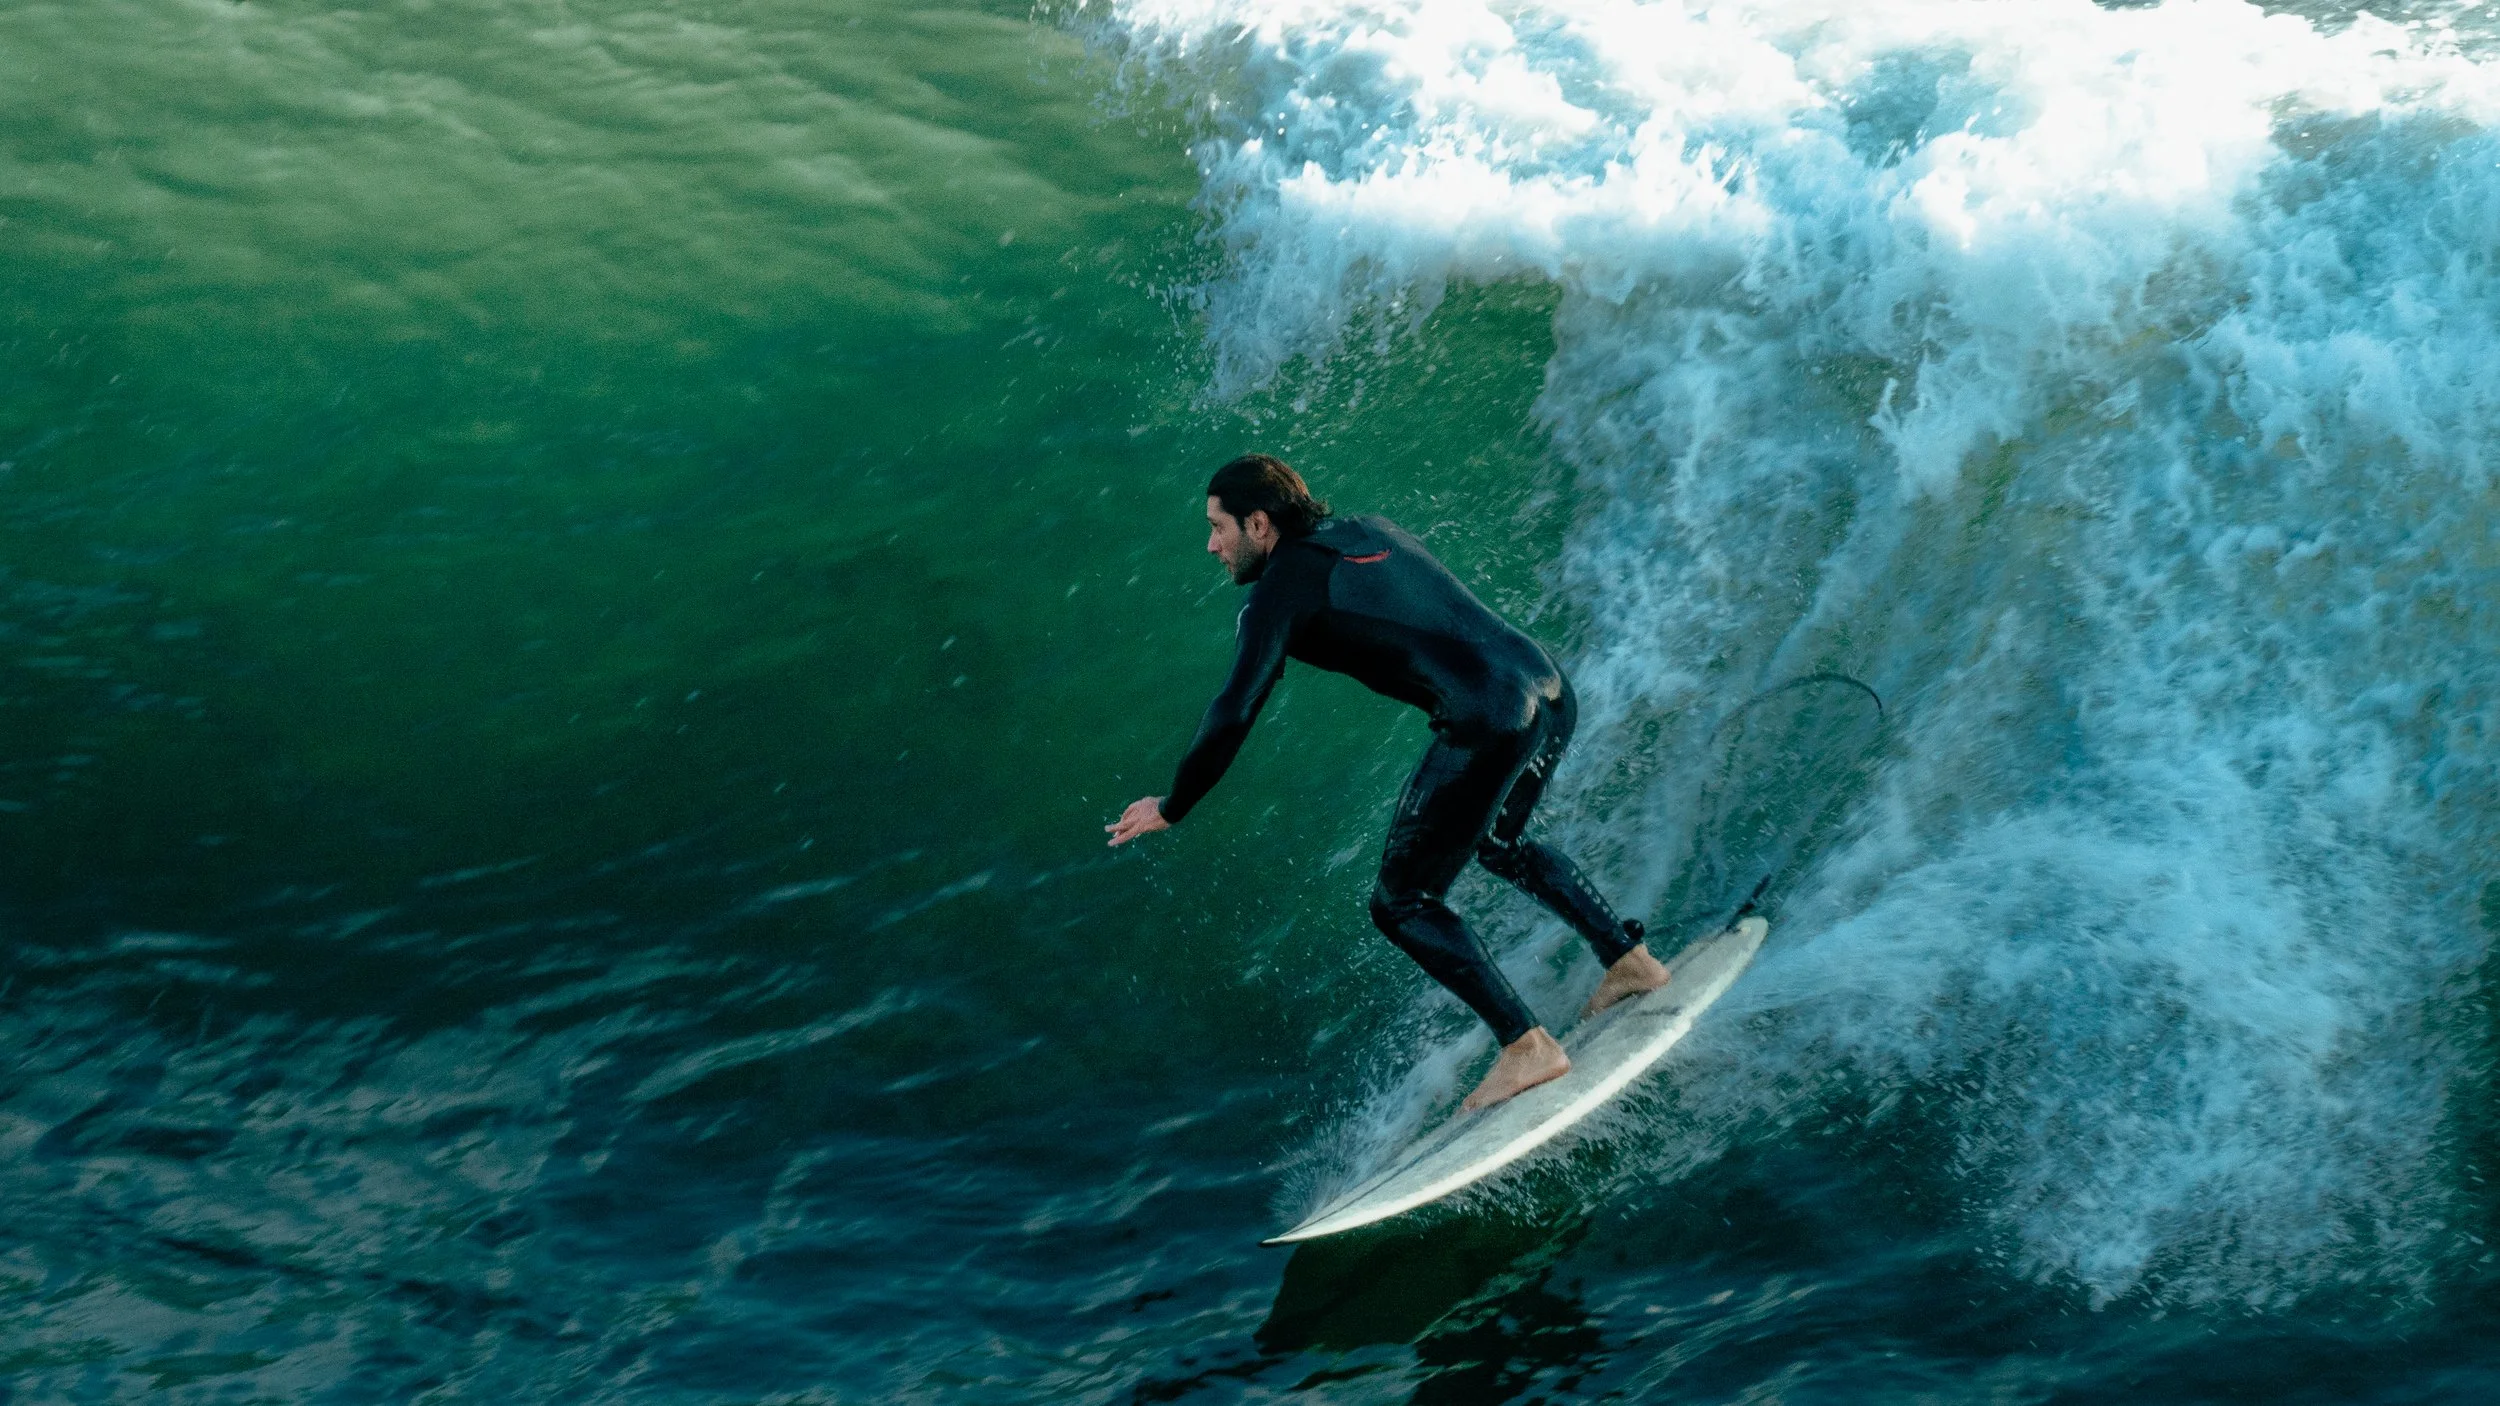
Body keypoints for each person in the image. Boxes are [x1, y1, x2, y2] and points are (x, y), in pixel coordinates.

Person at [1107, 454, 1670, 1111]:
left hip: (1490, 718)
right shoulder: (1371, 528)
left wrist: (1174, 805)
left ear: (1258, 524)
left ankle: (1528, 1048)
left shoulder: (1280, 589)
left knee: (1402, 901)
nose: (1211, 544)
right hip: (1547, 687)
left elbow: (1233, 710)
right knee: (1499, 843)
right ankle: (1628, 961)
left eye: (1218, 527)